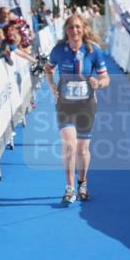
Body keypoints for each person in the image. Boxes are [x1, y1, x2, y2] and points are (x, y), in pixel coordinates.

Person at [44, 14, 110, 204]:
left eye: (78, 27)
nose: (75, 31)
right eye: (71, 27)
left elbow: (106, 78)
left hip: (86, 104)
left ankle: (83, 182)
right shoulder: (59, 50)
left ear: (84, 29)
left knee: (82, 148)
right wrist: (51, 85)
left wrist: (98, 83)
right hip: (65, 104)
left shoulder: (93, 51)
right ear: (66, 30)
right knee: (69, 144)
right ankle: (69, 187)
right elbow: (48, 69)